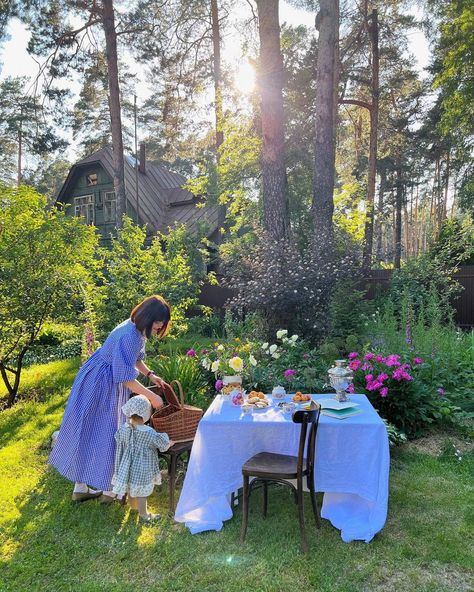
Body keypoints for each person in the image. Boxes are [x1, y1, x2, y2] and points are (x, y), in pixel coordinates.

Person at [49, 295, 171, 503]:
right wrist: (151, 397)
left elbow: (135, 359)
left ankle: (84, 488)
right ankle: (109, 489)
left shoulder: (135, 329)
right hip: (102, 383)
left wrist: (150, 375)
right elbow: (124, 377)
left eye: (162, 322)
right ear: (149, 316)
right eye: (159, 321)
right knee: (108, 430)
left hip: (99, 378)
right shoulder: (130, 335)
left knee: (90, 429)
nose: (160, 326)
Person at [112, 395, 172, 522]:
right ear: (146, 414)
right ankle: (144, 514)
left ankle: (133, 508)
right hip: (142, 468)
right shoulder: (148, 432)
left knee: (131, 487)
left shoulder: (124, 428)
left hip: (127, 465)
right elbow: (161, 444)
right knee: (142, 492)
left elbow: (119, 440)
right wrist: (169, 442)